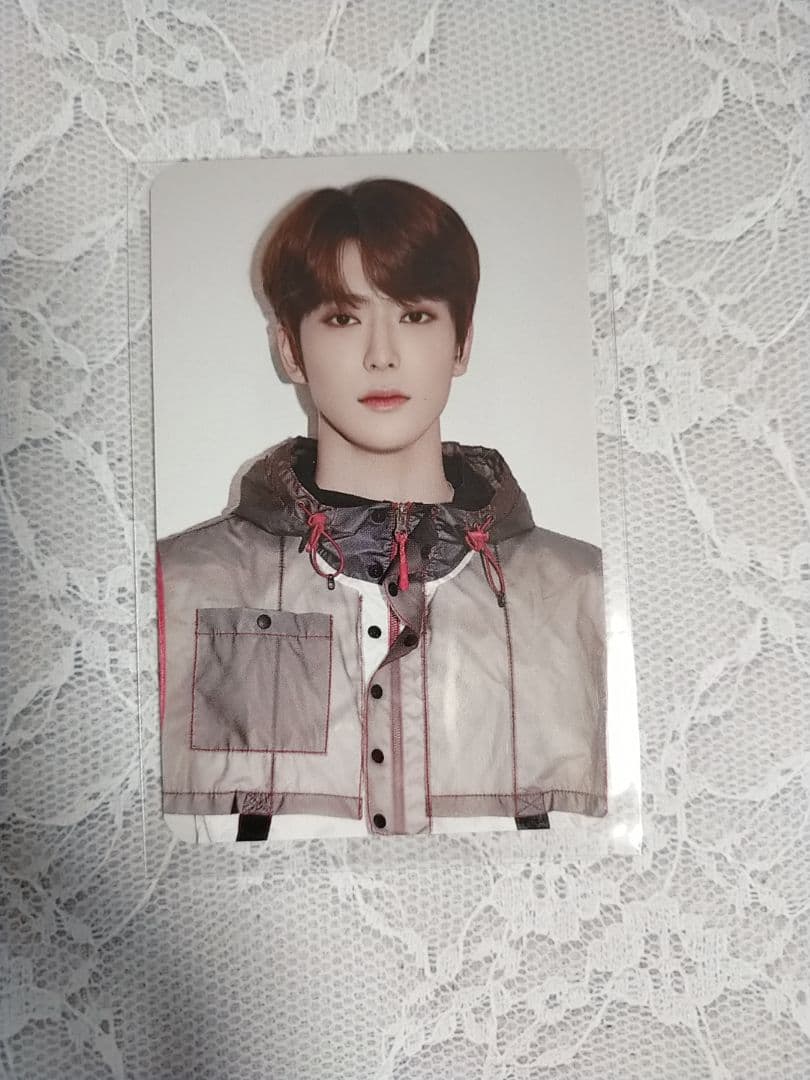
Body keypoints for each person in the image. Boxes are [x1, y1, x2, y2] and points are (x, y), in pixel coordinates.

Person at [157, 178, 607, 842]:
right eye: (344, 317)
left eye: (414, 315)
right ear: (290, 349)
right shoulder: (173, 592)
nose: (381, 354)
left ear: (461, 343)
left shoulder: (587, 594)